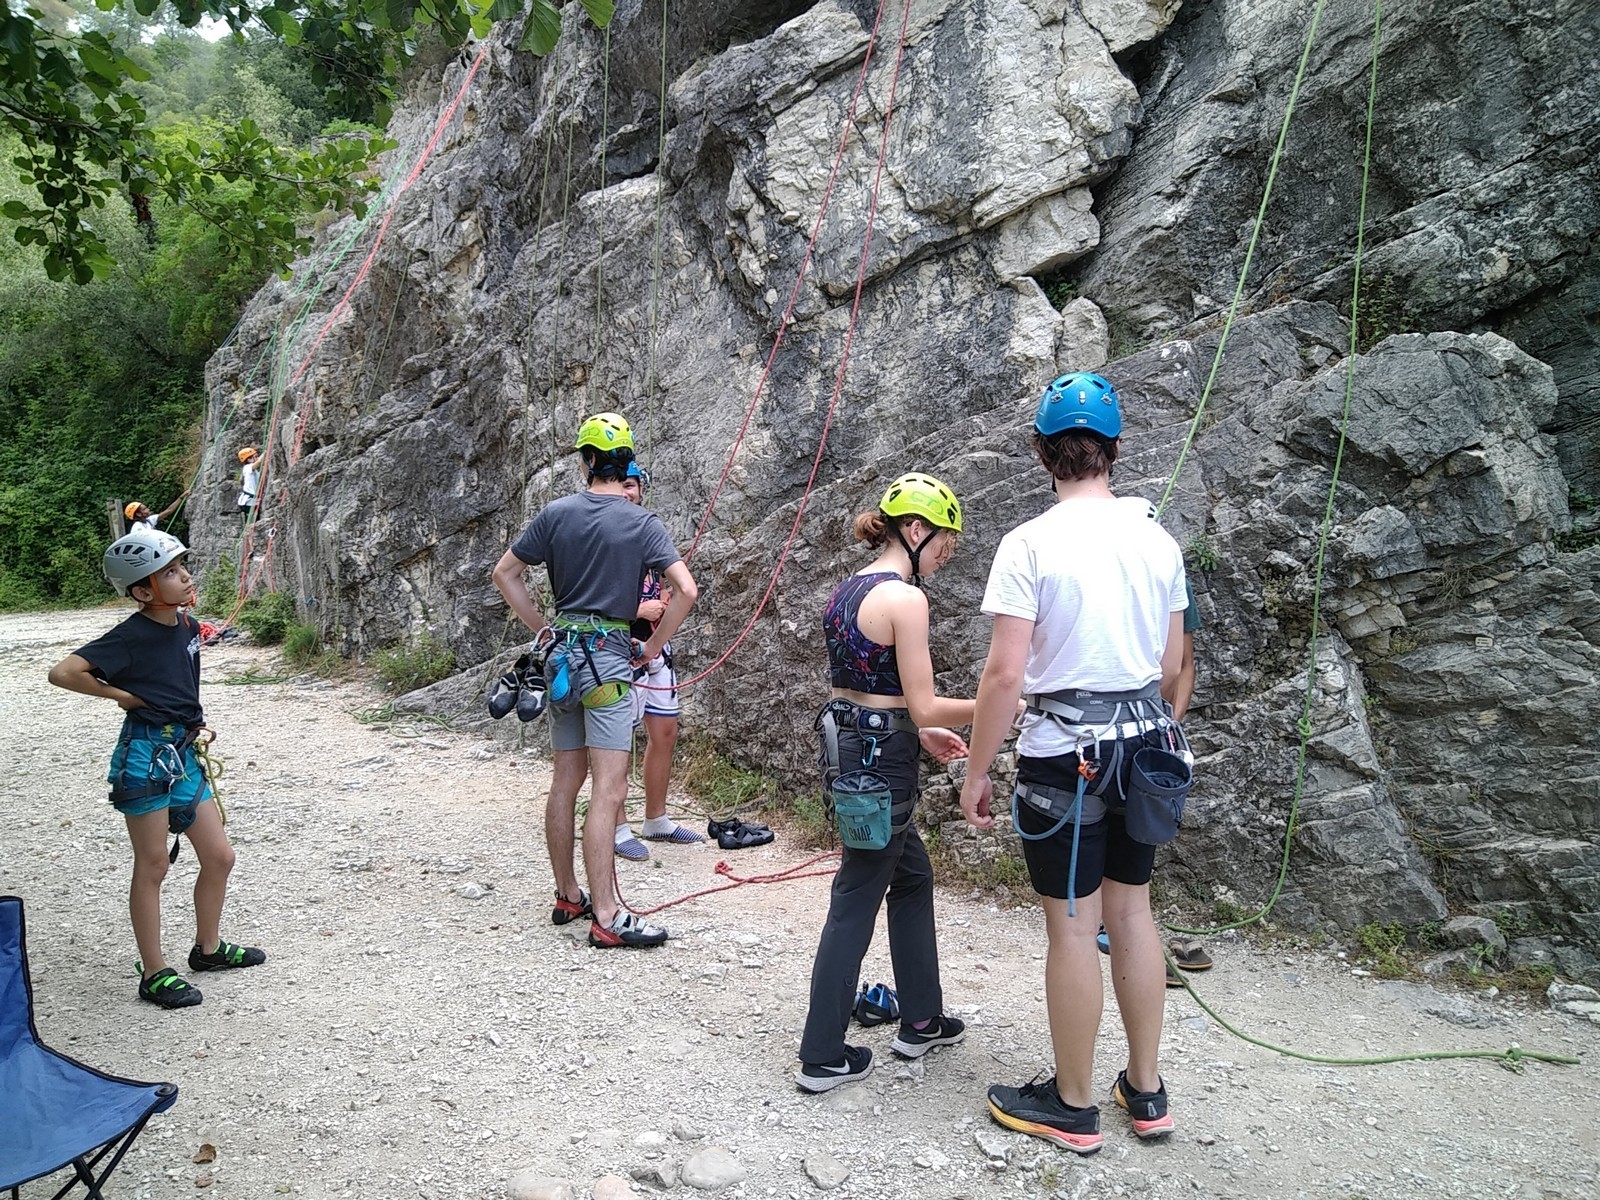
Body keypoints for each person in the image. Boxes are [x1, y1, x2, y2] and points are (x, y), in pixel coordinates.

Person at [960, 372, 1187, 1152]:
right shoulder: (1157, 540)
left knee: (1073, 927)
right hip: (1146, 745)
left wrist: (977, 771)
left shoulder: (1030, 544)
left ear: (1040, 452)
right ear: (1114, 451)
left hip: (1068, 755)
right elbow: (1170, 665)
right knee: (1133, 914)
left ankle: (1074, 1104)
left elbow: (1004, 675)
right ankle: (1146, 1090)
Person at [491, 412, 699, 949]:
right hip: (608, 661)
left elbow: (505, 573)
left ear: (586, 461)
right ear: (626, 461)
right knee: (609, 788)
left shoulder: (556, 514)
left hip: (561, 660)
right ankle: (607, 914)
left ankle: (568, 894)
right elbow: (687, 591)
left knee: (566, 779)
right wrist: (651, 646)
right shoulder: (641, 522)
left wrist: (542, 627)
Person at [796, 472, 974, 1092]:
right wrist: (1002, 703)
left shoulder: (846, 590)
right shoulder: (906, 599)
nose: (949, 551)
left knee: (911, 874)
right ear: (916, 529)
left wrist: (920, 730)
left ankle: (921, 1017)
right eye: (946, 538)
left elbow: (865, 687)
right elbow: (924, 703)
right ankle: (822, 1053)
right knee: (857, 891)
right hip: (882, 758)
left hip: (851, 749)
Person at [46, 529, 265, 1010]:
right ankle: (154, 972)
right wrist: (121, 695)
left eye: (181, 567)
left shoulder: (185, 625)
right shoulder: (130, 636)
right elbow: (63, 673)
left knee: (220, 856)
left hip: (180, 752)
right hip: (145, 756)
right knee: (153, 864)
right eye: (169, 572)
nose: (184, 576)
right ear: (143, 592)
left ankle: (208, 949)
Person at [611, 461, 704, 859]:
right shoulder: (604, 535)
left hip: (654, 649)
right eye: (620, 484)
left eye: (631, 485)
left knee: (664, 732)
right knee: (615, 742)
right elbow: (587, 598)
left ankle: (656, 819)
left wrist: (662, 602)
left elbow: (666, 583)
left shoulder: (649, 532)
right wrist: (638, 609)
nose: (626, 492)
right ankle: (615, 826)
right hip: (617, 649)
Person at [237, 447, 261, 516]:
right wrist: (266, 452)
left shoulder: (253, 470)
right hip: (248, 502)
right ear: (249, 459)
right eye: (255, 456)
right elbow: (259, 462)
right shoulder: (247, 467)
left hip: (250, 501)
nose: (257, 458)